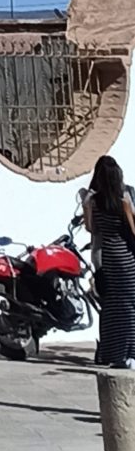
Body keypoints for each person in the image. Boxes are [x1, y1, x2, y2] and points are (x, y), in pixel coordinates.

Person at [83, 152, 135, 372]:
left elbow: (90, 228)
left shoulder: (91, 200)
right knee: (131, 306)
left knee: (113, 306)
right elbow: (133, 230)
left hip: (107, 257)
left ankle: (112, 352)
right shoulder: (124, 199)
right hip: (126, 257)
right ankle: (130, 353)